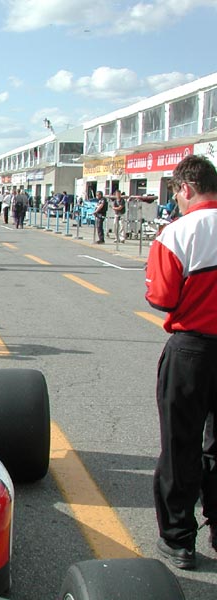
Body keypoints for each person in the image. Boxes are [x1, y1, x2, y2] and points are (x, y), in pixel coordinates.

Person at [145, 155, 217, 571]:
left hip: (192, 349)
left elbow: (162, 298)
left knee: (180, 445)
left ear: (185, 189)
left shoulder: (178, 232)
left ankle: (178, 540)